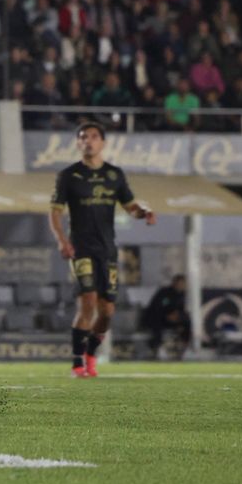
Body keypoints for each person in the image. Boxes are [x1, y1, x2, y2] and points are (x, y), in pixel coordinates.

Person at [49, 120, 158, 378]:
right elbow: (55, 212)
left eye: (93, 136)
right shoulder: (69, 175)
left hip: (107, 250)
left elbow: (130, 206)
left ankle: (91, 354)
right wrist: (62, 241)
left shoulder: (115, 175)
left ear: (103, 142)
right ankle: (77, 363)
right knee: (87, 303)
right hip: (81, 248)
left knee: (107, 311)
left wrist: (143, 212)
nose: (88, 141)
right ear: (78, 143)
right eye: (83, 137)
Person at [140, 274, 188, 360]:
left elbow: (181, 310)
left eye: (183, 284)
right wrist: (167, 315)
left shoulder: (182, 295)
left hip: (172, 320)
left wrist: (178, 317)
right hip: (156, 318)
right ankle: (155, 348)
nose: (181, 286)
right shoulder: (165, 293)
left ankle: (184, 348)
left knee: (187, 323)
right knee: (156, 325)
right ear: (174, 283)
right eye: (180, 284)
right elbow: (158, 307)